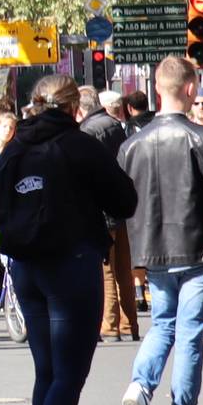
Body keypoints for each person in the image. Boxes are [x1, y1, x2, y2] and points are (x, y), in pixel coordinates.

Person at [0, 75, 138, 405]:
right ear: (75, 107)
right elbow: (123, 200)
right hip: (70, 265)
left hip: (26, 268)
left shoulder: (13, 149)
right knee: (69, 374)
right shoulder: (78, 146)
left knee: (47, 371)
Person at [117, 53, 203, 405]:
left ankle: (141, 385)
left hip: (153, 250)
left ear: (156, 89)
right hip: (198, 248)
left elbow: (123, 201)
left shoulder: (133, 143)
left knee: (164, 324)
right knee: (188, 333)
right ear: (189, 89)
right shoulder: (200, 137)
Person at [81, 90, 139, 342]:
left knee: (106, 270)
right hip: (120, 203)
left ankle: (110, 324)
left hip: (101, 208)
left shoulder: (87, 131)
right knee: (124, 269)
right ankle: (130, 324)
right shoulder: (115, 125)